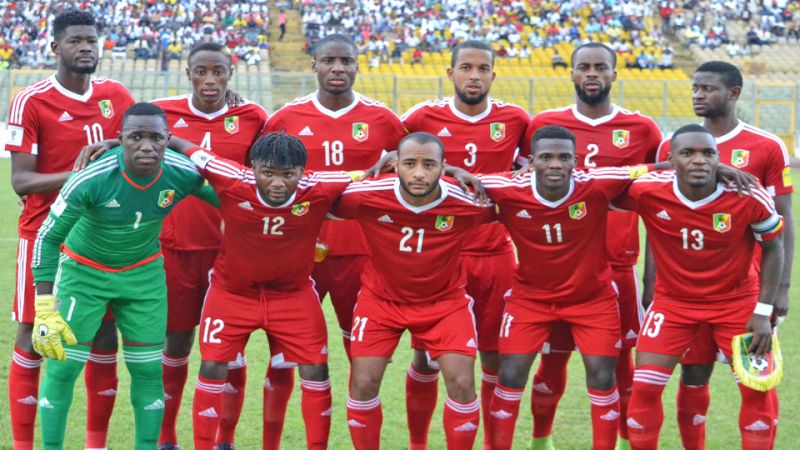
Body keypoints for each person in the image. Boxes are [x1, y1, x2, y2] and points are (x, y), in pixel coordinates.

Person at [30, 102, 218, 450]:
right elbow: (48, 237)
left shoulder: (183, 173)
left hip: (143, 278)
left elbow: (233, 198)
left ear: (168, 140)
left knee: (148, 371)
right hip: (83, 275)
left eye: (155, 138)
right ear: (120, 139)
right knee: (62, 369)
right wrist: (44, 307)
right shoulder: (92, 176)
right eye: (136, 137)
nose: (146, 146)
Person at [261, 33, 405, 449]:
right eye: (329, 60)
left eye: (346, 61)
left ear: (357, 66)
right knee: (282, 358)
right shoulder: (286, 117)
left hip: (361, 252)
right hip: (295, 252)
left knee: (363, 358)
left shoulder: (384, 120)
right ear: (315, 66)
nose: (338, 68)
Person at [4, 10, 135, 450]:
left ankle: (95, 444)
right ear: (54, 47)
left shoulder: (117, 95)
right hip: (45, 235)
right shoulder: (31, 100)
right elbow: (21, 181)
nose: (86, 48)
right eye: (76, 41)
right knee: (32, 333)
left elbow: (150, 137)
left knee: (102, 334)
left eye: (92, 41)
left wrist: (116, 146)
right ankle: (23, 445)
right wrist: (84, 172)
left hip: (104, 237)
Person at [524, 42, 663, 450]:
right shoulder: (545, 125)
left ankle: (620, 442)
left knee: (622, 365)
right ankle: (540, 440)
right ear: (570, 73)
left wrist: (653, 276)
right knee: (552, 362)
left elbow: (661, 194)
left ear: (614, 75)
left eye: (600, 67)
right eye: (583, 67)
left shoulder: (643, 129)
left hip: (618, 268)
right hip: (555, 269)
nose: (591, 74)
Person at [179, 132, 357, 450]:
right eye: (268, 173)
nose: (277, 183)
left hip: (293, 295)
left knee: (316, 368)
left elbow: (368, 176)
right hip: (232, 293)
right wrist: (119, 144)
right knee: (212, 364)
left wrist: (393, 162)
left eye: (288, 174)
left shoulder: (321, 187)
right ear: (253, 169)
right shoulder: (231, 177)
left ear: (302, 172)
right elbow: (186, 147)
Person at [482, 125, 653, 450]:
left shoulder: (597, 184)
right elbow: (463, 181)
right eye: (546, 157)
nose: (555, 164)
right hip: (529, 299)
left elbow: (654, 169)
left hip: (592, 300)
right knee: (510, 375)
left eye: (564, 158)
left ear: (576, 160)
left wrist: (721, 169)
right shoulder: (506, 187)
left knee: (603, 375)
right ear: (531, 161)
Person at [655, 61, 793, 450]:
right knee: (693, 373)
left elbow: (784, 222)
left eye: (707, 89)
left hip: (749, 288)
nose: (698, 95)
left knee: (756, 378)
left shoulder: (766, 146)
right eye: (695, 88)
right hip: (689, 287)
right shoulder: (677, 145)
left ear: (733, 94)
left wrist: (780, 291)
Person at [399, 39, 529, 450]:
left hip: (494, 255)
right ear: (450, 73)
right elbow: (394, 158)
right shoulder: (422, 116)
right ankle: (419, 443)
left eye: (483, 68)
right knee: (425, 357)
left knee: (493, 356)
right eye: (466, 68)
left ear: (493, 74)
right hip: (439, 257)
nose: (475, 75)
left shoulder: (516, 120)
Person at [621, 124, 784, 450]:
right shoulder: (647, 189)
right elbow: (591, 180)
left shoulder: (747, 193)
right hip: (673, 303)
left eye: (708, 154)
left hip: (737, 301)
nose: (699, 160)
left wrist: (763, 311)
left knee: (758, 390)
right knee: (644, 389)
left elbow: (774, 246)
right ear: (670, 159)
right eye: (688, 154)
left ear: (719, 158)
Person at [337, 132, 494, 450]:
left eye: (429, 165)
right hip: (380, 301)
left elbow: (524, 200)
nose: (419, 173)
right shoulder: (365, 194)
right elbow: (312, 197)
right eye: (410, 164)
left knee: (462, 382)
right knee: (363, 381)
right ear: (395, 165)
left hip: (444, 302)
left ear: (443, 167)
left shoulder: (467, 201)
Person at [151, 42, 269, 450]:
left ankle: (226, 439)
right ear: (188, 73)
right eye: (201, 71)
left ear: (230, 73)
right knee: (177, 341)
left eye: (218, 72)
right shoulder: (161, 113)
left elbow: (263, 180)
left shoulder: (253, 117)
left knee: (229, 350)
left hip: (233, 254)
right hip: (176, 247)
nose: (210, 80)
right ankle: (167, 438)